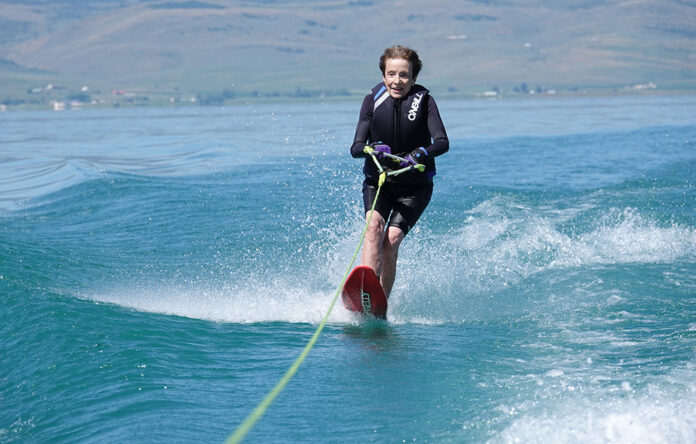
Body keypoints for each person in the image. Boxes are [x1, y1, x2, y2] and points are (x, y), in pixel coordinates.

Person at [350, 45, 449, 298]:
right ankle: (366, 294)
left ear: (414, 78)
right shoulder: (372, 101)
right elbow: (356, 147)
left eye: (404, 75)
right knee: (373, 228)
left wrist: (421, 153)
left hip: (415, 188)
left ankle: (381, 300)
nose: (397, 81)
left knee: (390, 241)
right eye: (391, 74)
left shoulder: (424, 101)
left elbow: (441, 142)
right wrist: (372, 150)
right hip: (379, 182)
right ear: (383, 76)